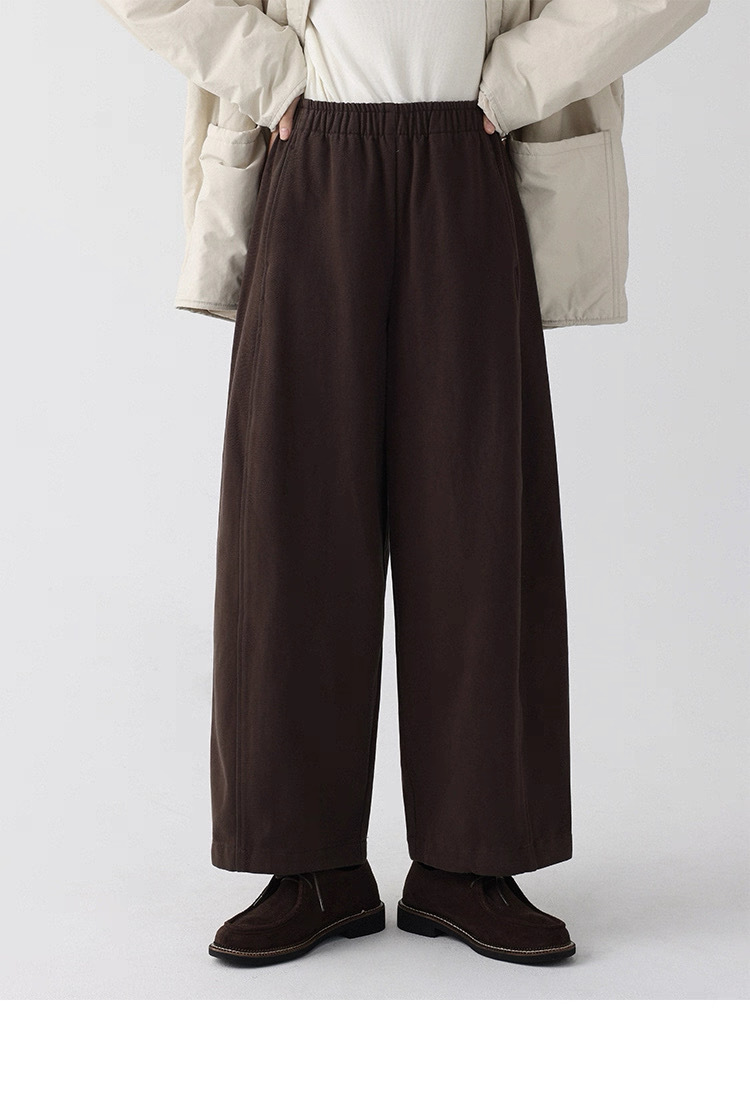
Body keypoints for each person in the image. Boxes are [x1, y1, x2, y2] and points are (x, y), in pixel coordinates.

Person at [98, 0, 710, 967]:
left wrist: (519, 80)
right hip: (311, 154)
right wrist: (269, 74)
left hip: (471, 156)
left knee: (480, 521)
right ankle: (308, 866)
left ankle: (470, 865)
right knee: (291, 529)